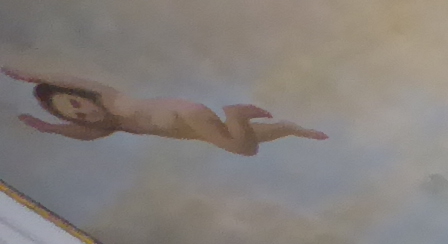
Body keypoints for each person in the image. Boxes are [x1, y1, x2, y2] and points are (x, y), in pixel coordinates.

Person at [7, 66, 324, 154]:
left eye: (78, 103)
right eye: (74, 115)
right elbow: (83, 134)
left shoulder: (112, 100)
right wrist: (49, 128)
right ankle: (292, 128)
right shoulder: (110, 125)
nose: (83, 113)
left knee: (243, 149)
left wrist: (33, 77)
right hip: (191, 128)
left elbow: (73, 81)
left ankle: (236, 113)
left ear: (85, 96)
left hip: (185, 113)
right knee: (256, 136)